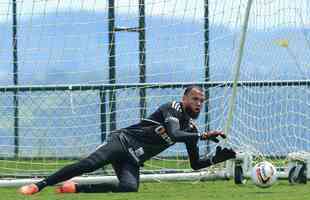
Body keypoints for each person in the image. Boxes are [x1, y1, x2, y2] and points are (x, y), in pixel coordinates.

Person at [19, 85, 236, 195]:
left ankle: (76, 189)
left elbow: (195, 164)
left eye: (202, 101)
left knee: (130, 187)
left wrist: (217, 159)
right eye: (195, 99)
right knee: (89, 164)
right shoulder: (173, 108)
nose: (199, 103)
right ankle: (39, 186)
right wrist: (203, 135)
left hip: (133, 159)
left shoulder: (191, 128)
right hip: (122, 142)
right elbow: (173, 134)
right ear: (184, 98)